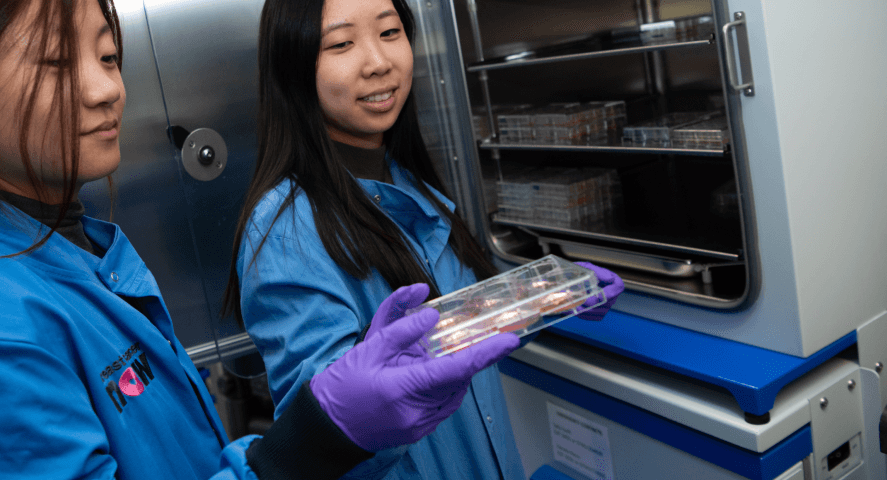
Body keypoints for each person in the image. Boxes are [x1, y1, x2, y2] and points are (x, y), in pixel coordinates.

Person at [0, 0, 520, 478]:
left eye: (108, 56)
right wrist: (308, 443)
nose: (106, 89)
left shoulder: (81, 255)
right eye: (54, 64)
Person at [224, 0, 626, 478]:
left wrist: (541, 296)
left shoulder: (407, 182)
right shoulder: (285, 231)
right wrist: (359, 423)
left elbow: (460, 328)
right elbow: (319, 456)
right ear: (292, 67)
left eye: (390, 32)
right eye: (342, 43)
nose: (379, 62)